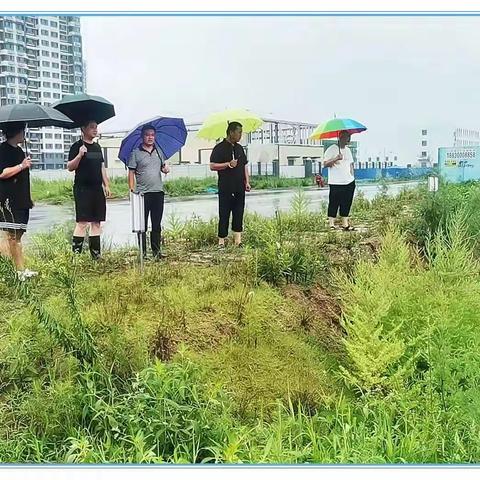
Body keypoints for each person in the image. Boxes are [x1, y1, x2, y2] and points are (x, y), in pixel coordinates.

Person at [67, 120, 111, 259]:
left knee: (96, 222)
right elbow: (70, 167)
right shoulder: (76, 146)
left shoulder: (97, 147)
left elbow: (101, 167)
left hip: (97, 188)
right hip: (82, 189)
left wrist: (106, 185)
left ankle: (96, 256)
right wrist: (79, 155)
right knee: (82, 222)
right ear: (83, 129)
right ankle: (76, 257)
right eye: (92, 127)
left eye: (96, 127)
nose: (95, 130)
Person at [0, 122, 37, 279]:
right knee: (13, 236)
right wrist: (22, 166)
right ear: (16, 132)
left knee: (19, 235)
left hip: (22, 200)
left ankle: (20, 269)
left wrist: (28, 198)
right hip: (9, 200)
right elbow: (2, 173)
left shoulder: (20, 151)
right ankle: (19, 271)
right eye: (23, 130)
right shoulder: (2, 150)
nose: (24, 134)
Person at [128, 124, 170, 259]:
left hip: (158, 192)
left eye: (152, 134)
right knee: (142, 225)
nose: (150, 137)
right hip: (142, 194)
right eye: (147, 135)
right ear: (142, 137)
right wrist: (132, 191)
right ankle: (143, 254)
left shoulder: (159, 151)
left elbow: (163, 167)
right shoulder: (135, 153)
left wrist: (166, 169)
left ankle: (157, 252)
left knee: (156, 224)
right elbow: (131, 173)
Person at [209, 121, 251, 248]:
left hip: (239, 186)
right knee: (224, 213)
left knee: (239, 212)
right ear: (231, 132)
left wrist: (247, 181)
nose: (240, 135)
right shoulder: (219, 148)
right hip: (226, 186)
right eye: (239, 132)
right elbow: (212, 166)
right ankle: (221, 241)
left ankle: (238, 241)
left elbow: (244, 166)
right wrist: (227, 164)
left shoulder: (239, 148)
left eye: (241, 133)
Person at [323, 130, 356, 231]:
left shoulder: (348, 150)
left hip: (348, 181)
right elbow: (325, 164)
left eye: (349, 138)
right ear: (340, 137)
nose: (347, 140)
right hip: (336, 182)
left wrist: (352, 176)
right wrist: (336, 158)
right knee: (334, 202)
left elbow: (351, 164)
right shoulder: (332, 149)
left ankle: (345, 224)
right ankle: (331, 224)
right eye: (346, 137)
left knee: (347, 202)